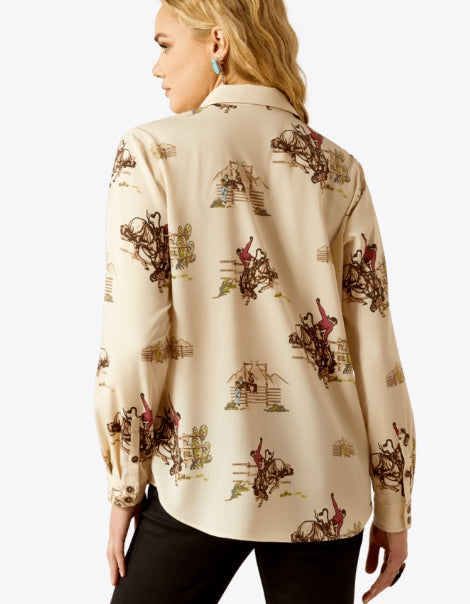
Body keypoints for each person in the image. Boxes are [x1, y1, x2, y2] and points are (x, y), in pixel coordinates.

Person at [94, 1, 415, 603]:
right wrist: (394, 504)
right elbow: (375, 352)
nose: (156, 67)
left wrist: (125, 483)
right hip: (327, 485)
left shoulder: (151, 153)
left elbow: (136, 339)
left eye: (164, 45)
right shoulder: (339, 170)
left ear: (217, 42)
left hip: (200, 482)